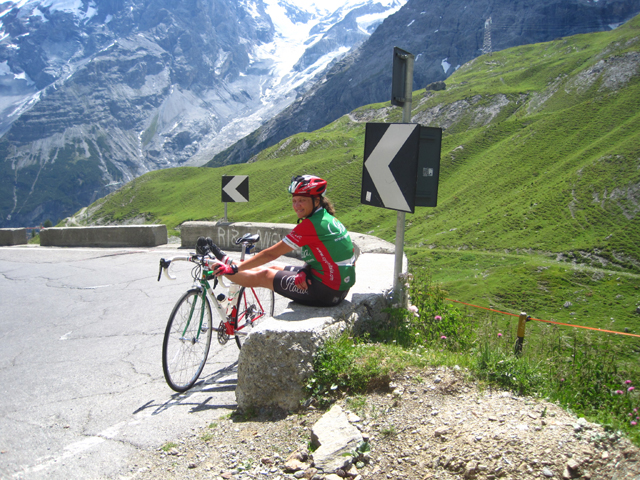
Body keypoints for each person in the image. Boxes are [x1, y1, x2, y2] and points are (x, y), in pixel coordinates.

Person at [200, 175, 356, 307]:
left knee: (265, 275)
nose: (296, 206)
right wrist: (305, 269)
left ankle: (223, 267)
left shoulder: (311, 225)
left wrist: (237, 268)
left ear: (316, 201)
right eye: (294, 200)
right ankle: (228, 262)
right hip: (338, 287)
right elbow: (331, 257)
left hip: (326, 291)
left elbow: (270, 254)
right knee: (276, 267)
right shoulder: (326, 218)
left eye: (302, 200)